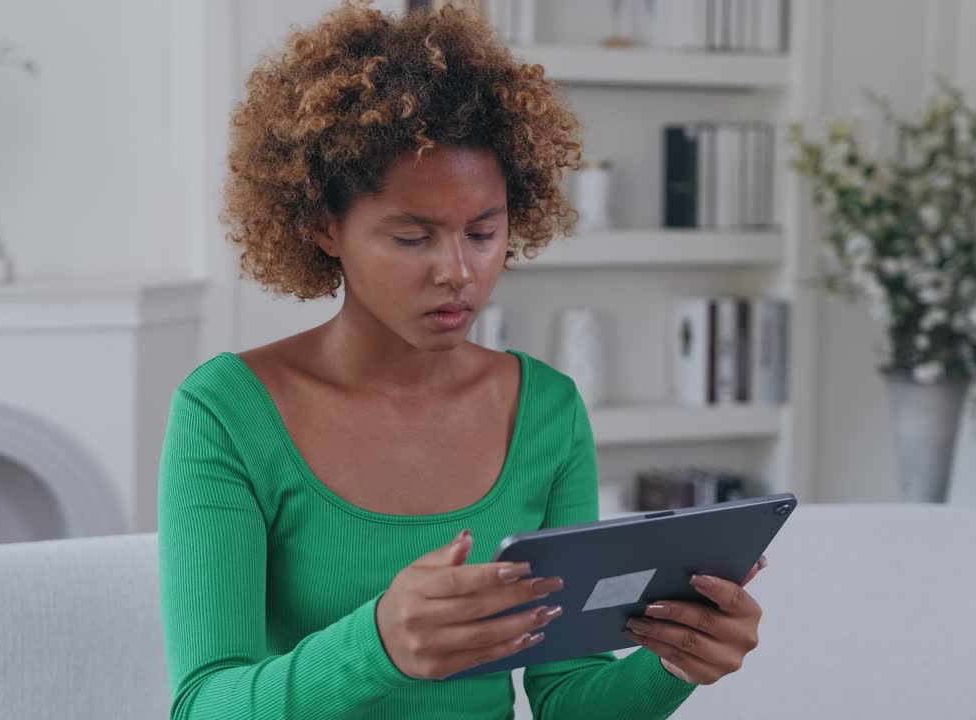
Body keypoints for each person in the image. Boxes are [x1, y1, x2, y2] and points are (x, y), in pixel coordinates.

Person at [157, 2, 765, 718]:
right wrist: (378, 645)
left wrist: (675, 664)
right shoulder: (226, 412)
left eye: (483, 232)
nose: (459, 271)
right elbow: (202, 706)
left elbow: (569, 700)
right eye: (412, 237)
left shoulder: (547, 410)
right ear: (323, 224)